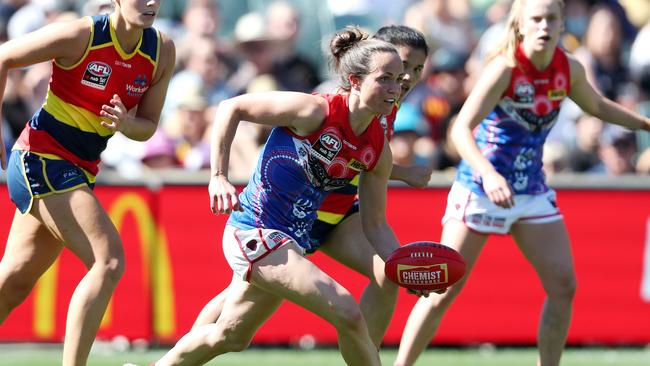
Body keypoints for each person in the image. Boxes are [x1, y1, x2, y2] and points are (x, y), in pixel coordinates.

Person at [394, 1, 650, 366]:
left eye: (552, 19)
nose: (544, 26)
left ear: (563, 24)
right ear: (521, 24)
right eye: (537, 19)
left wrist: (643, 123)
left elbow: (597, 106)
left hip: (529, 190)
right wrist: (488, 172)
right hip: (481, 188)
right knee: (441, 290)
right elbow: (460, 129)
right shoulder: (505, 68)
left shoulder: (569, 68)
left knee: (564, 287)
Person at [151, 26, 407, 366]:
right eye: (385, 79)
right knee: (347, 310)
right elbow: (230, 108)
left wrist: (403, 269)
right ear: (355, 81)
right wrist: (218, 177)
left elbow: (375, 226)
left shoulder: (378, 149)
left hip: (290, 241)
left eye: (399, 80)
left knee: (229, 335)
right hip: (254, 231)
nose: (395, 89)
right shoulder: (315, 111)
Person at [0, 1, 175, 365]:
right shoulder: (81, 34)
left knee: (13, 283)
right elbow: (4, 56)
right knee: (108, 260)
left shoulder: (161, 50)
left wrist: (127, 124)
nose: (151, 3)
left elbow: (149, 125)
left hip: (79, 170)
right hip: (41, 158)